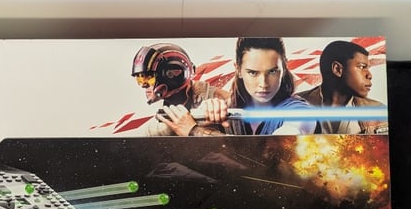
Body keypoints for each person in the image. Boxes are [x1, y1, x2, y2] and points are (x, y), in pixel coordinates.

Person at [166, 38, 316, 136]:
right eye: (253, 73)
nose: (263, 84)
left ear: (284, 67)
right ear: (238, 70)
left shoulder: (299, 112)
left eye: (272, 71)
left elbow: (273, 152)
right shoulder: (229, 107)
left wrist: (194, 131)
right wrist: (204, 117)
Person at [131, 43, 229, 136]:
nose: (143, 85)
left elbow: (234, 145)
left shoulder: (223, 101)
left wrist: (193, 130)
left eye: (149, 78)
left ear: (173, 75)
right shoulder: (155, 113)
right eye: (139, 79)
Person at [296, 40, 387, 134]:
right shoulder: (294, 105)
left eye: (368, 68)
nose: (369, 75)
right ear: (337, 69)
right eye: (362, 67)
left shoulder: (378, 111)